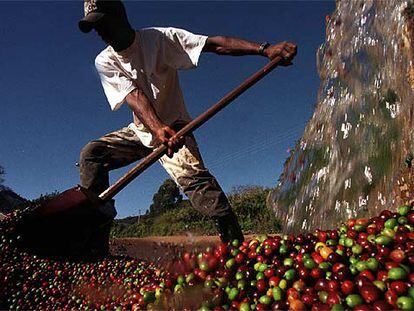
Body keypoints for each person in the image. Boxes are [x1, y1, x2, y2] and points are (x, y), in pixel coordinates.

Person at [78, 0, 297, 244]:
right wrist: (157, 128)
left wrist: (264, 49)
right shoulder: (105, 60)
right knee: (92, 154)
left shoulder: (159, 39)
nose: (100, 33)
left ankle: (235, 249)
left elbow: (214, 44)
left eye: (102, 24)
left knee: (200, 186)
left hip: (176, 127)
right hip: (141, 132)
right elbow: (133, 96)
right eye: (95, 29)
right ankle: (94, 242)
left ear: (120, 16)